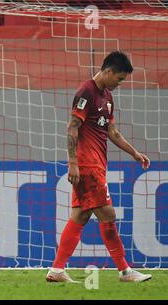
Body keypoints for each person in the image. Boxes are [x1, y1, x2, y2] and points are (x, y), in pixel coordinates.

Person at [46, 51, 151, 283]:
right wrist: (73, 162)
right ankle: (125, 270)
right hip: (87, 164)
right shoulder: (86, 92)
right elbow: (72, 127)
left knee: (81, 215)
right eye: (119, 79)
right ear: (108, 71)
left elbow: (111, 131)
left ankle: (56, 269)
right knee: (108, 214)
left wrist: (134, 153)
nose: (119, 84)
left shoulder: (108, 97)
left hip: (97, 165)